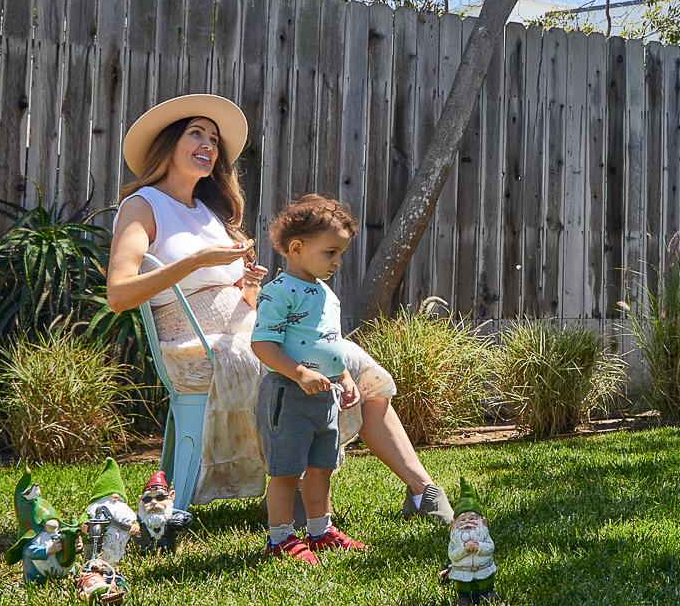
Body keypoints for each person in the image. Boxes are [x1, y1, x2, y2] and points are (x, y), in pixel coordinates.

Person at [104, 93, 454, 523]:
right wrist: (196, 262)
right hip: (194, 341)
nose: (208, 145)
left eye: (213, 139)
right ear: (168, 143)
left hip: (249, 327)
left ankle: (422, 490)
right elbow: (119, 295)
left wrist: (247, 286)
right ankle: (302, 488)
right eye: (196, 133)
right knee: (300, 363)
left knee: (354, 362)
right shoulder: (143, 205)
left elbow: (238, 299)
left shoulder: (209, 213)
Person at [252, 194, 369, 564]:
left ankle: (320, 530)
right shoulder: (278, 292)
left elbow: (328, 343)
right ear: (297, 248)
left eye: (340, 255)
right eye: (330, 252)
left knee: (322, 467)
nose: (337, 262)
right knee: (287, 471)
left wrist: (345, 376)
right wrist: (299, 373)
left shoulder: (325, 293)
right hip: (289, 395)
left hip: (325, 396)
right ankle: (281, 538)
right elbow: (263, 344)